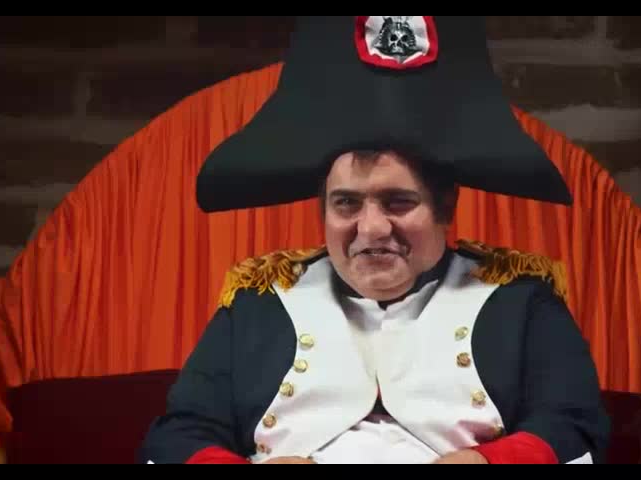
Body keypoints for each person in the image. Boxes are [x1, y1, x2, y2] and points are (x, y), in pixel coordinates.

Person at [139, 16, 611, 464]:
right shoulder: (257, 303)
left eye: (398, 202)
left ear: (445, 208)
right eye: (346, 203)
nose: (371, 228)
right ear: (322, 210)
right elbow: (178, 436)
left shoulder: (520, 299)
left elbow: (573, 425)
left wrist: (486, 460)